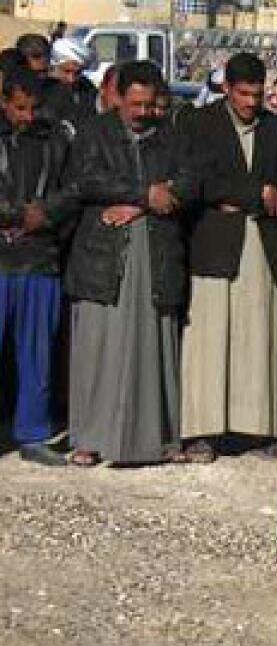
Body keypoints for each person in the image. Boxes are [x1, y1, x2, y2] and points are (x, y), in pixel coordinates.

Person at [66, 61, 197, 466]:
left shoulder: (171, 136)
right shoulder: (93, 133)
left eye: (149, 104)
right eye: (134, 103)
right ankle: (89, 437)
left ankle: (157, 438)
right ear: (117, 97)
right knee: (98, 346)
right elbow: (86, 180)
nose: (142, 112)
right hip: (104, 257)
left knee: (153, 344)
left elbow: (191, 182)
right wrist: (145, 195)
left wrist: (140, 208)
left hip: (155, 253)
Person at [179, 53, 277, 461]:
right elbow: (200, 181)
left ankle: (253, 428)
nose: (250, 103)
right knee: (208, 339)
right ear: (226, 89)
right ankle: (201, 429)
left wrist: (256, 197)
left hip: (261, 242)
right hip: (214, 245)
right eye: (243, 94)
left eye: (257, 95)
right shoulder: (198, 123)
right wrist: (256, 194)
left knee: (256, 335)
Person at [0, 68, 73, 466]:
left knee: (37, 353)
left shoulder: (55, 141)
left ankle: (33, 433)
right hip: (3, 257)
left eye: (32, 108)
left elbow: (72, 188)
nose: (26, 117)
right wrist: (14, 215)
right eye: (19, 108)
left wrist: (43, 215)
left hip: (40, 259)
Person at [42, 38, 97, 132]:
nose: (71, 79)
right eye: (66, 71)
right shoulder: (44, 89)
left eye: (77, 73)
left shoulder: (86, 87)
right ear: (55, 66)